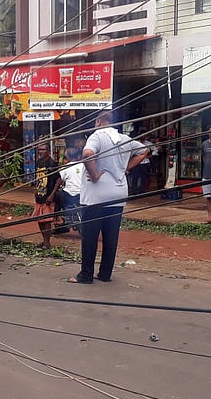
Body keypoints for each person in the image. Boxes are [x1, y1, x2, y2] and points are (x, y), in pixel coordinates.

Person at [68, 111, 149, 284]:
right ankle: (105, 274)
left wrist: (95, 174)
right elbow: (144, 151)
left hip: (97, 195)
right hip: (118, 193)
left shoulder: (97, 136)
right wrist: (126, 167)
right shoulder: (124, 138)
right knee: (110, 236)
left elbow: (87, 154)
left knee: (90, 236)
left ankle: (86, 275)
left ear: (98, 121)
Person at [31, 142, 62, 250]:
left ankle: (47, 242)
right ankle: (44, 241)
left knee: (47, 220)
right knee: (40, 220)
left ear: (48, 151)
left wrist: (52, 195)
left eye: (43, 150)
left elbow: (59, 180)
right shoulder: (38, 162)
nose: (41, 152)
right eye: (39, 150)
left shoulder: (52, 163)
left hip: (48, 196)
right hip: (39, 195)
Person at [56, 147, 84, 235]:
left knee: (56, 196)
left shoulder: (66, 167)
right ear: (78, 156)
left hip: (69, 195)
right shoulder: (84, 165)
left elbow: (60, 180)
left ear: (67, 157)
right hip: (82, 194)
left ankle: (59, 218)